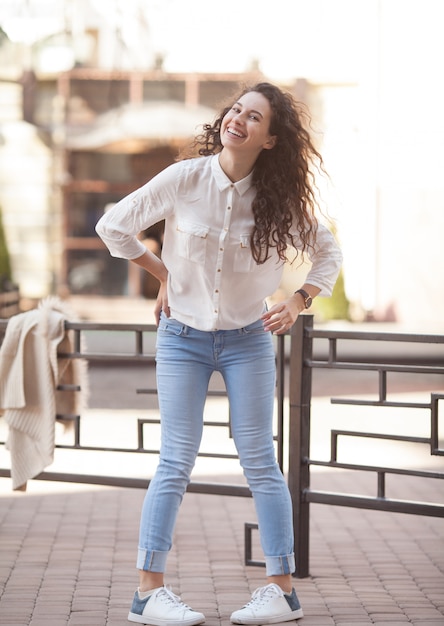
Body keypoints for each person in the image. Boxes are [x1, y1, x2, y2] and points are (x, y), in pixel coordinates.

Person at [96, 81, 342, 626]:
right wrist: (164, 273)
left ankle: (282, 592)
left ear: (272, 139)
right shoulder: (186, 178)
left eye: (254, 118)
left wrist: (300, 299)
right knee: (174, 462)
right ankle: (147, 594)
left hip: (248, 341)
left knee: (260, 461)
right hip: (181, 338)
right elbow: (113, 226)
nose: (239, 120)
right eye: (236, 111)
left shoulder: (282, 201)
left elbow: (327, 252)